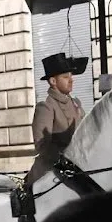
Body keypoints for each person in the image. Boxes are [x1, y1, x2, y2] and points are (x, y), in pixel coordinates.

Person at [25, 53, 85, 186]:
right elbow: (42, 145)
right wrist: (68, 159)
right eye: (65, 77)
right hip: (51, 176)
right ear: (53, 81)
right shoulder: (46, 107)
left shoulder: (76, 104)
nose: (71, 80)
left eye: (71, 76)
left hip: (78, 170)